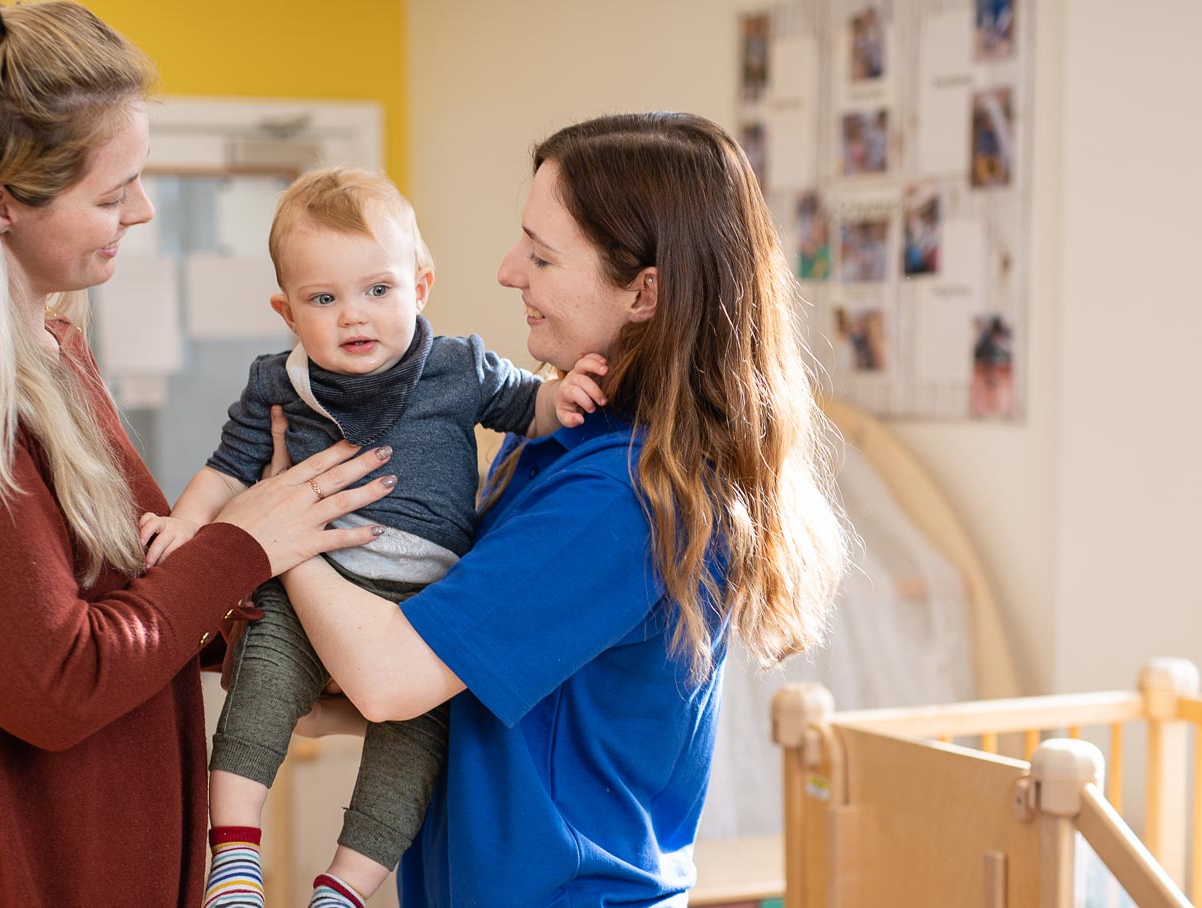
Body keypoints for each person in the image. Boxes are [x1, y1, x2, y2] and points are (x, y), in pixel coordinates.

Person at [0, 5, 394, 906]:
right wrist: (247, 543)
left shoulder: (51, 348)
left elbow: (127, 597)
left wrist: (296, 656)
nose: (142, 211)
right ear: (1, 201)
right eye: (112, 195)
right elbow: (55, 682)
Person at [275, 112, 848, 906]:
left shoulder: (625, 497)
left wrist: (285, 529)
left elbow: (390, 680)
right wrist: (306, 688)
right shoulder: (558, 438)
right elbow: (494, 690)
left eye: (542, 255)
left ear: (644, 292)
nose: (510, 271)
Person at [138, 166, 606, 908]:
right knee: (258, 686)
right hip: (309, 584)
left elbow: (528, 405)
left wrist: (562, 399)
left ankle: (344, 890)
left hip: (421, 602)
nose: (354, 316)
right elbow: (228, 469)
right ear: (287, 312)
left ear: (419, 288)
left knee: (415, 746)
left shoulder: (458, 366)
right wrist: (188, 522)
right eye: (324, 299)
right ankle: (232, 860)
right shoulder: (280, 382)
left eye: (377, 291)